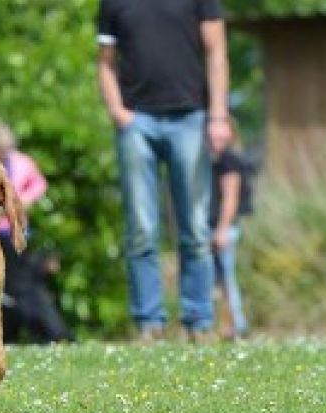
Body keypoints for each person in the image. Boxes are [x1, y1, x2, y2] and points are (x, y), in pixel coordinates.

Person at [96, 0, 232, 342]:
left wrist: (218, 115)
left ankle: (199, 322)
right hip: (136, 122)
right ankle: (149, 324)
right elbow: (105, 64)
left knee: (196, 229)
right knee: (141, 228)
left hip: (190, 118)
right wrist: (118, 113)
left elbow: (216, 53)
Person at [0, 116, 74, 343]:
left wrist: (23, 200)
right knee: (9, 290)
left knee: (21, 288)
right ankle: (33, 335)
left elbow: (39, 184)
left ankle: (52, 334)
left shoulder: (22, 162)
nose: (4, 154)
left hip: (18, 232)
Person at [210, 126, 251, 341]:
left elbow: (230, 198)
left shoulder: (228, 161)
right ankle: (225, 326)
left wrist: (222, 229)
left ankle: (236, 325)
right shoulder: (215, 161)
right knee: (219, 281)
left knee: (225, 279)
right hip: (216, 227)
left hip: (222, 228)